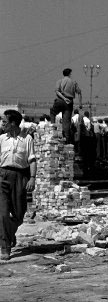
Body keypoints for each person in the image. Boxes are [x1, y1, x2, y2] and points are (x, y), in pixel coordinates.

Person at [0, 110, 37, 260]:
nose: (2, 124)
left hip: (20, 177)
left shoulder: (27, 139)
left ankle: (9, 233)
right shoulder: (1, 138)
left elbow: (32, 160)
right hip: (2, 176)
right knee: (2, 214)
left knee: (19, 214)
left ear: (13, 123)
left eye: (4, 122)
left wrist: (32, 178)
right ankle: (5, 246)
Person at [51, 68, 82, 143]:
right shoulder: (73, 82)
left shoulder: (60, 81)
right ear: (69, 74)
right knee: (66, 122)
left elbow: (57, 92)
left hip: (60, 100)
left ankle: (52, 129)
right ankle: (66, 141)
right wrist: (80, 103)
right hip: (69, 103)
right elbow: (79, 93)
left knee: (52, 112)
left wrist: (64, 98)